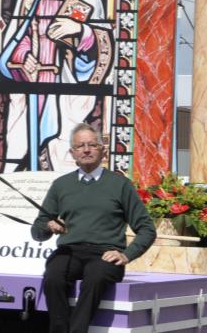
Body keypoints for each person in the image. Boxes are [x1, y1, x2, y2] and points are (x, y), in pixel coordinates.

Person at [0, 0, 114, 172]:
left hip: (67, 83)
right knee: (19, 138)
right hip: (31, 81)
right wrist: (23, 55)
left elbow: (103, 42)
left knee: (63, 145)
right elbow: (19, 31)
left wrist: (80, 31)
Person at [32, 124, 155, 333]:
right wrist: (48, 226)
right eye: (80, 146)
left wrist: (126, 255)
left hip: (104, 253)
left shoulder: (120, 185)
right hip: (69, 251)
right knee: (53, 276)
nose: (86, 150)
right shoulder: (61, 185)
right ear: (72, 153)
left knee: (95, 277)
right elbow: (37, 230)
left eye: (92, 145)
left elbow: (147, 229)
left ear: (103, 150)